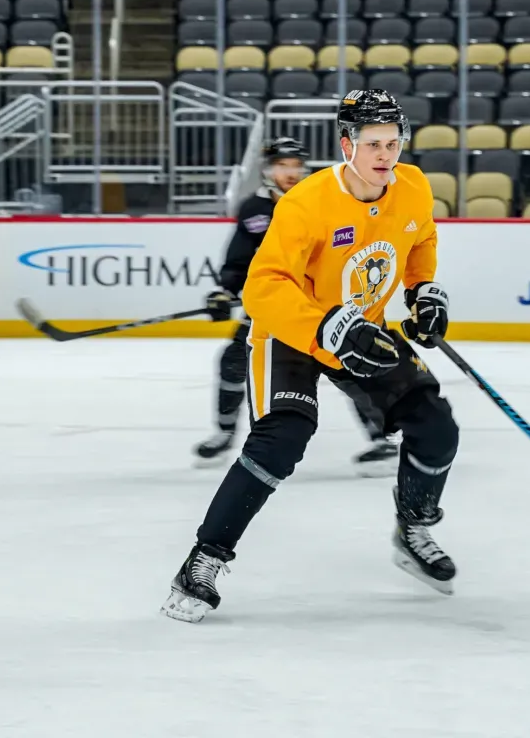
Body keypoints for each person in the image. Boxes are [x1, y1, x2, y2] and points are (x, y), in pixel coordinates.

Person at [163, 90, 458, 623]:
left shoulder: (413, 185)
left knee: (436, 425)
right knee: (282, 439)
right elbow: (263, 287)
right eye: (373, 144)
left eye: (393, 143)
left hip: (363, 329)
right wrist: (323, 326)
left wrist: (422, 292)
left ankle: (412, 528)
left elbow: (420, 240)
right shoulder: (306, 203)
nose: (385, 155)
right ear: (347, 145)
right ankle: (203, 560)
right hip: (292, 334)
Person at [194, 137, 398, 470]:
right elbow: (241, 259)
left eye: (295, 166)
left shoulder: (321, 200)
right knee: (233, 360)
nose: (290, 172)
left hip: (322, 305)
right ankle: (224, 434)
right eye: (282, 165)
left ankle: (383, 438)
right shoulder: (255, 209)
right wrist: (224, 291)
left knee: (349, 365)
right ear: (267, 170)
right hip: (275, 308)